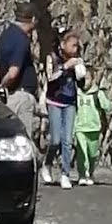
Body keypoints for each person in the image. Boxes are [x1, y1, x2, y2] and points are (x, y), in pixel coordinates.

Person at [45, 41, 83, 188]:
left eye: (77, 46)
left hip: (70, 102)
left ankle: (65, 174)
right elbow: (50, 78)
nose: (75, 49)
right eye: (73, 45)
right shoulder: (53, 58)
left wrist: (80, 72)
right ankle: (47, 164)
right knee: (56, 140)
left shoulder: (77, 60)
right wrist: (65, 67)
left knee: (67, 140)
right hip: (54, 101)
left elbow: (82, 83)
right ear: (63, 45)